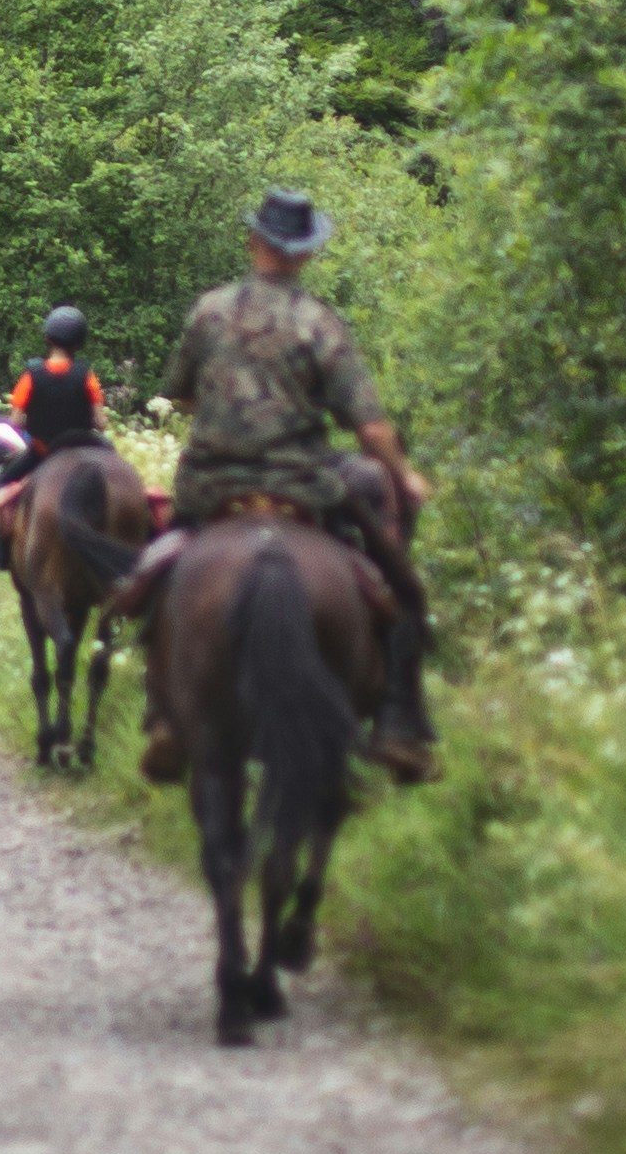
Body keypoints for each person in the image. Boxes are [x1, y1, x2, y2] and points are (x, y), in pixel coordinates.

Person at [160, 186, 438, 783]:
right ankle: (396, 723)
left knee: (154, 571)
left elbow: (181, 393)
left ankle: (163, 712)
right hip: (303, 482)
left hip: (212, 481)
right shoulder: (319, 323)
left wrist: (227, 418)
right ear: (307, 253)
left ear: (253, 242)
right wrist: (406, 476)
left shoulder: (208, 311)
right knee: (403, 586)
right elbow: (370, 427)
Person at [0, 304, 109, 561]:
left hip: (42, 453)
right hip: (81, 452)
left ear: (47, 338)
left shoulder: (31, 376)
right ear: (79, 342)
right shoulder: (86, 376)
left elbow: (15, 421)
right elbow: (100, 424)